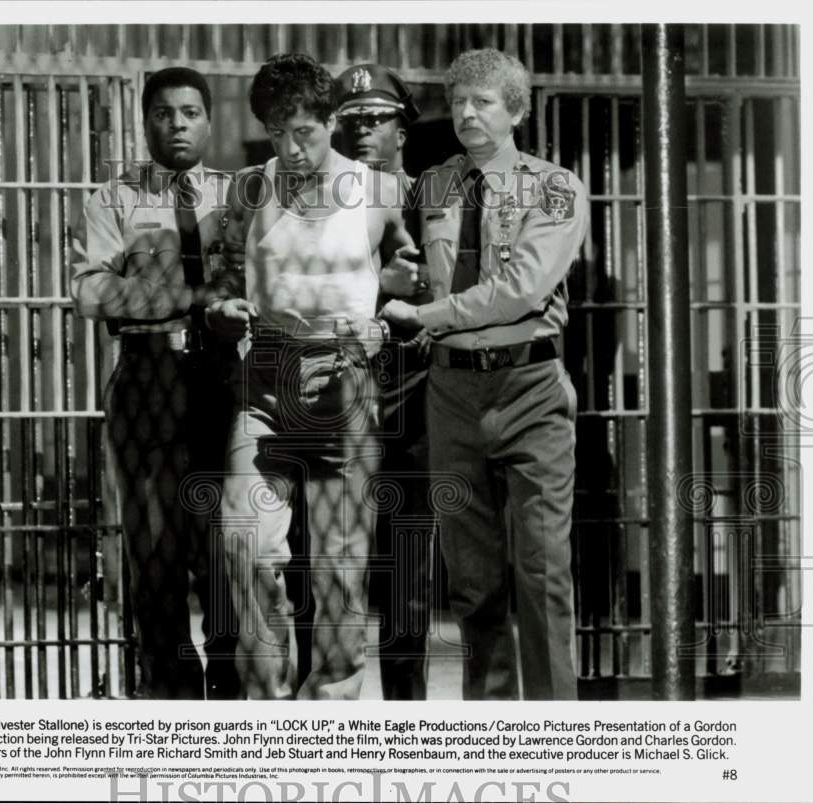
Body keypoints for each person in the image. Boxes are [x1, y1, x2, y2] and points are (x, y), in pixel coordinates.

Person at [380, 48, 588, 700]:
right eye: (459, 101)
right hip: (451, 392)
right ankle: (492, 731)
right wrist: (400, 282)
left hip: (528, 386)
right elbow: (419, 263)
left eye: (484, 102)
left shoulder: (555, 186)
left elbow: (522, 288)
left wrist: (426, 312)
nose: (468, 113)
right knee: (473, 580)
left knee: (543, 570)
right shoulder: (437, 182)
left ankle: (557, 739)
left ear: (516, 110)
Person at [207, 53, 413, 700]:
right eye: (277, 133)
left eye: (305, 132)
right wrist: (221, 306)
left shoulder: (379, 191)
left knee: (339, 568)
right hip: (265, 374)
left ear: (330, 123)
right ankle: (268, 705)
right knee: (246, 545)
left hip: (346, 378)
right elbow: (219, 274)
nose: (291, 148)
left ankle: (333, 707)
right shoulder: (249, 188)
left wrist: (390, 311)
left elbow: (411, 269)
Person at [70, 66, 240, 700]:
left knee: (226, 550)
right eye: (165, 113)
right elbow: (91, 291)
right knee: (156, 553)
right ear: (145, 122)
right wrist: (192, 295)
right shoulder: (114, 199)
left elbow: (260, 282)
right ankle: (169, 694)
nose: (178, 125)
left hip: (222, 381)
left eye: (191, 112)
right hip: (147, 377)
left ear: (208, 120)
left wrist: (142, 293)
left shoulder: (238, 196)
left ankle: (229, 689)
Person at [334, 63, 433, 701]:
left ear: (403, 127)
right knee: (329, 564)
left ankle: (405, 715)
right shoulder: (326, 199)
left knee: (406, 575)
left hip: (415, 394)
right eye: (353, 121)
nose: (365, 131)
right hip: (338, 393)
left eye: (377, 118)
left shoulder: (437, 197)